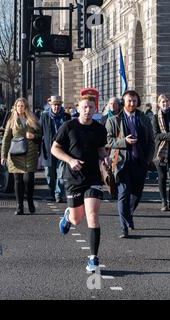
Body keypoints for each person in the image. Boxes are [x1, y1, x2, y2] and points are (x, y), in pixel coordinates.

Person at [51, 95, 109, 272]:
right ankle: (68, 217)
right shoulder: (68, 126)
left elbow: (100, 149)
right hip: (74, 178)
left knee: (92, 215)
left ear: (95, 109)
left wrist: (105, 157)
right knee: (77, 219)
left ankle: (93, 258)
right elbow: (55, 148)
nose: (88, 110)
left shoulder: (99, 129)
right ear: (78, 108)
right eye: (85, 107)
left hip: (93, 177)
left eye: (91, 107)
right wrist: (70, 160)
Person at [106, 90, 155, 238]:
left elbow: (151, 141)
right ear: (124, 103)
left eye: (134, 101)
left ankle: (128, 215)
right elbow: (108, 141)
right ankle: (123, 227)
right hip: (122, 163)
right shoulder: (114, 120)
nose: (132, 103)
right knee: (124, 193)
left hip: (140, 162)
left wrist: (148, 158)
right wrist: (124, 141)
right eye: (129, 101)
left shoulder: (144, 119)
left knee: (136, 194)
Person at [2, 98, 42, 215]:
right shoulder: (11, 121)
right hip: (16, 154)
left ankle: (30, 201)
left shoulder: (33, 120)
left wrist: (33, 136)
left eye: (22, 106)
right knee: (18, 181)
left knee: (29, 180)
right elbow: (6, 139)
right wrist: (3, 155)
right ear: (15, 107)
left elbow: (40, 136)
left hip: (30, 153)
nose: (20, 108)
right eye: (18, 106)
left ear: (26, 107)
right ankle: (19, 206)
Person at [40, 95, 70, 203]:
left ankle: (58, 194)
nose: (56, 107)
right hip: (48, 149)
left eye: (58, 105)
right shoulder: (44, 116)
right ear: (50, 105)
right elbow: (40, 132)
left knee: (60, 173)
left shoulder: (66, 117)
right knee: (49, 174)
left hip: (62, 149)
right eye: (54, 105)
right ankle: (51, 192)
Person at [152, 94, 170, 211]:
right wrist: (169, 136)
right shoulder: (155, 117)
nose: (165, 103)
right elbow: (156, 135)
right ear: (159, 104)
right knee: (162, 177)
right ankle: (164, 201)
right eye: (162, 102)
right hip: (160, 151)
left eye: (167, 101)